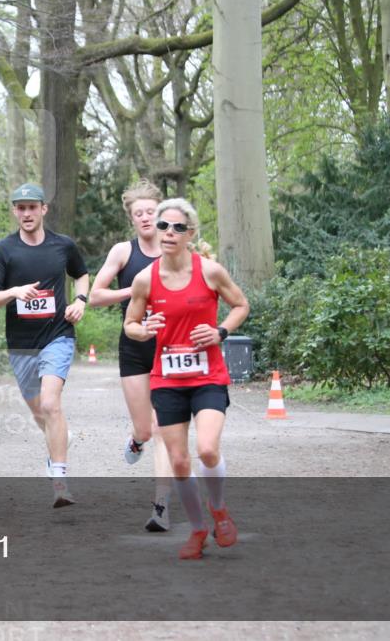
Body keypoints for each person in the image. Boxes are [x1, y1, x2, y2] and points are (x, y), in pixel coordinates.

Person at [123, 198, 249, 559]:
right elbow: (130, 324)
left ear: (190, 233)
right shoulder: (144, 278)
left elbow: (241, 305)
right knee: (179, 460)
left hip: (207, 374)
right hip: (167, 379)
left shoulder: (209, 271)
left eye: (178, 227)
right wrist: (144, 329)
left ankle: (219, 509)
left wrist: (221, 332)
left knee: (207, 450)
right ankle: (197, 530)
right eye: (163, 226)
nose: (168, 233)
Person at [0, 183, 90, 508]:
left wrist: (81, 301)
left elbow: (81, 274)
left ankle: (59, 480)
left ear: (44, 209)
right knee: (39, 412)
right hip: (21, 344)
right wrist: (14, 292)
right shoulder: (4, 250)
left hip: (58, 334)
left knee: (50, 404)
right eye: (21, 207)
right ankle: (56, 439)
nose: (27, 213)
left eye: (33, 207)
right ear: (15, 211)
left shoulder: (63, 245)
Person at [88, 180, 174, 531]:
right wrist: (135, 289)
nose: (144, 218)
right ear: (132, 219)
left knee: (164, 427)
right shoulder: (123, 252)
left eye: (150, 212)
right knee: (146, 429)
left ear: (161, 213)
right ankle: (136, 440)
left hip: (171, 347)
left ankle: (162, 507)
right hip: (135, 346)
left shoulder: (176, 248)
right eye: (138, 213)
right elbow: (94, 295)